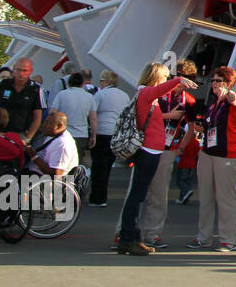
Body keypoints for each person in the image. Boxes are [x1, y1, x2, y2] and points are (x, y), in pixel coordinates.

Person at [116, 62, 196, 256]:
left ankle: (132, 237)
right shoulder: (146, 93)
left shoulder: (147, 95)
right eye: (164, 77)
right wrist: (178, 79)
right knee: (137, 195)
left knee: (138, 195)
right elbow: (161, 89)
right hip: (148, 151)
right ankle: (128, 238)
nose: (166, 81)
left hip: (152, 150)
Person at [186, 66, 236, 251]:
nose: (214, 84)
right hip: (208, 152)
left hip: (226, 154)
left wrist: (227, 93)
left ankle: (228, 240)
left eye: (218, 81)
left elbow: (234, 100)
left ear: (227, 83)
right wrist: (203, 128)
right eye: (213, 81)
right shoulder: (213, 101)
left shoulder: (232, 97)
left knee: (225, 198)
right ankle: (203, 237)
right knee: (206, 196)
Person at [90, 71, 129, 207]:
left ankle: (96, 197)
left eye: (101, 80)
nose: (100, 83)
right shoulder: (124, 96)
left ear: (106, 81)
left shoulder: (100, 94)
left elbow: (92, 112)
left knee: (97, 166)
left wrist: (92, 133)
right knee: (107, 167)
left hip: (101, 132)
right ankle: (103, 197)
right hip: (115, 133)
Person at [0, 60, 43, 144]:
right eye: (18, 70)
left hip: (20, 136)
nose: (21, 73)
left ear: (31, 71)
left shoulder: (36, 89)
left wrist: (27, 139)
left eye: (25, 70)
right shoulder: (2, 84)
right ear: (13, 70)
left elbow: (37, 118)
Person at [50, 73, 96, 170]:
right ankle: (73, 183)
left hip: (64, 133)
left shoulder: (62, 95)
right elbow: (93, 119)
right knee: (75, 163)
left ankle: (62, 183)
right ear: (82, 84)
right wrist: (93, 136)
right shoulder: (89, 97)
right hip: (82, 135)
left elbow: (52, 113)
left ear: (69, 83)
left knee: (61, 162)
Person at [22, 111, 78, 178]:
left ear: (59, 126)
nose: (44, 125)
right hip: (33, 174)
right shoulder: (52, 135)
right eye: (45, 122)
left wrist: (33, 156)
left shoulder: (63, 143)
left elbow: (56, 174)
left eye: (48, 123)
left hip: (45, 182)